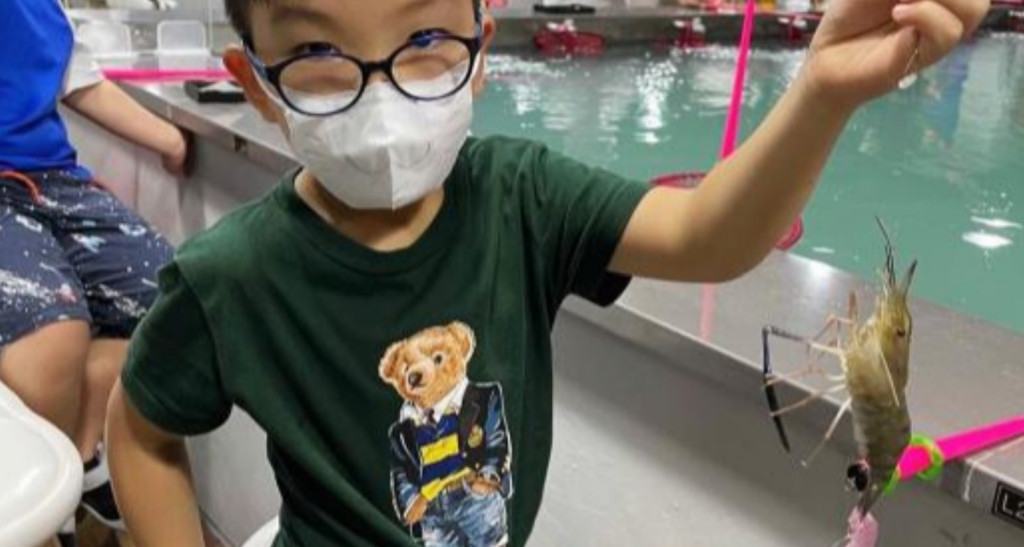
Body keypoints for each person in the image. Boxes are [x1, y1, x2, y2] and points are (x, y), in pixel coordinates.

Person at [105, 0, 988, 545]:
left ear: (481, 49)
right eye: (317, 57)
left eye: (425, 39)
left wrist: (824, 90)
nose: (380, 93)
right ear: (255, 82)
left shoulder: (521, 197)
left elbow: (709, 233)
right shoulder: (229, 276)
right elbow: (140, 430)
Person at [0, 1, 187, 545]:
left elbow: (77, 80)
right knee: (49, 336)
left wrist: (170, 139)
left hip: (53, 182)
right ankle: (47, 519)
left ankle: (79, 456)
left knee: (177, 302)